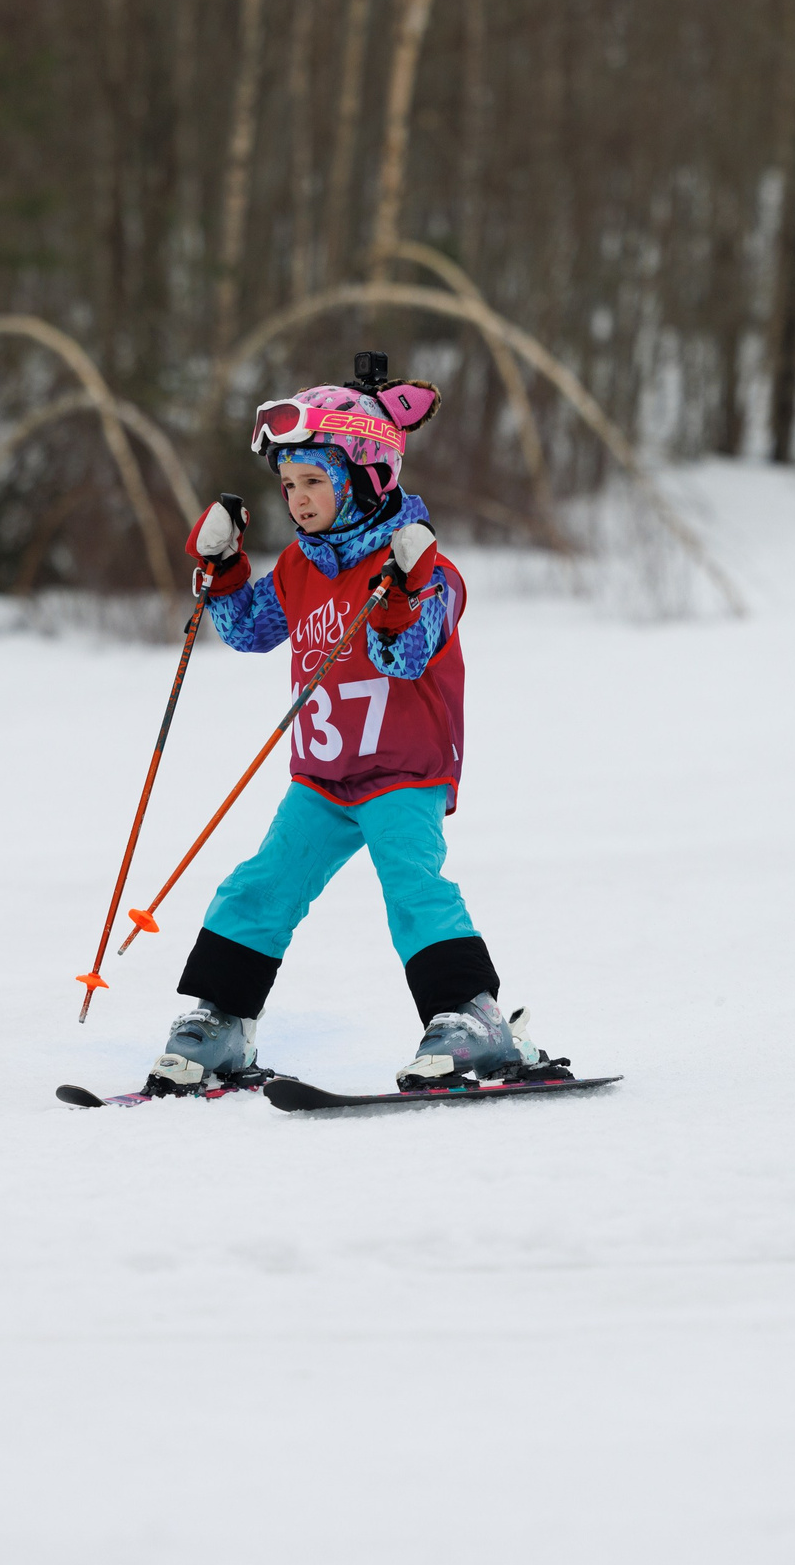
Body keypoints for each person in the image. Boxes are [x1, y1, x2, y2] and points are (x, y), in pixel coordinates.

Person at [140, 353, 553, 1096]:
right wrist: (224, 570)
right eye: (288, 485)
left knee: (414, 891)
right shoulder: (301, 567)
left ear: (366, 477)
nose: (297, 500)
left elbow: (406, 655)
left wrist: (401, 596)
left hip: (402, 772)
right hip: (323, 778)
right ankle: (222, 1023)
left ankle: (474, 1018)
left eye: (314, 481)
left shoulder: (427, 570)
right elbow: (250, 631)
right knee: (260, 886)